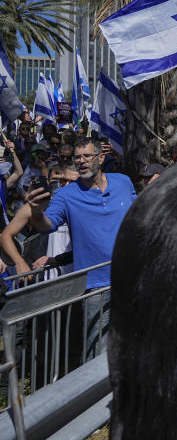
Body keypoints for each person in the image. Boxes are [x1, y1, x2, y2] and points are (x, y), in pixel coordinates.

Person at [24, 137, 137, 359]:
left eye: (87, 156)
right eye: (77, 158)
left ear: (101, 158)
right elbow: (48, 225)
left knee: (134, 346)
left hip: (130, 281)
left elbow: (139, 218)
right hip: (95, 289)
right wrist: (36, 212)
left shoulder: (123, 182)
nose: (81, 161)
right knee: (98, 356)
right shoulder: (67, 195)